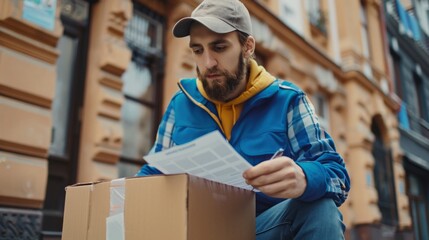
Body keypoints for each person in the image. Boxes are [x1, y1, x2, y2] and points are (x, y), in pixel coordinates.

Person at [136, 0, 350, 239]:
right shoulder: (181, 104)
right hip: (196, 231)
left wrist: (305, 177)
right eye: (198, 50)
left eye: (219, 47)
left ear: (247, 47)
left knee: (321, 209)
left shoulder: (288, 100)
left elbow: (337, 176)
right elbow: (153, 174)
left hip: (262, 230)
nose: (208, 63)